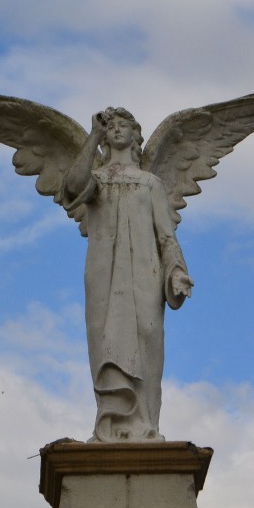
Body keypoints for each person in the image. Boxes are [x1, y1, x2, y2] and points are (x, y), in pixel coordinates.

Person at [62, 107, 193, 442]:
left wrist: (176, 271)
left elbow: (166, 235)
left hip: (144, 273)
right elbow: (73, 187)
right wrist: (92, 136)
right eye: (112, 126)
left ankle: (146, 425)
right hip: (103, 273)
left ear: (137, 136)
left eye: (125, 126)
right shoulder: (97, 181)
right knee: (106, 342)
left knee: (147, 336)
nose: (117, 130)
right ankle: (110, 426)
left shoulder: (151, 183)